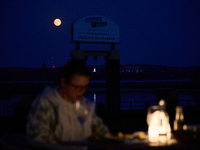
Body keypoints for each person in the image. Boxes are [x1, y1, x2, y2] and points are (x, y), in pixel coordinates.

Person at [26, 60, 109, 143]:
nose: (82, 91)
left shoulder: (84, 105)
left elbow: (102, 131)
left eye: (85, 87)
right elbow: (38, 141)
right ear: (63, 82)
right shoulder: (46, 104)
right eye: (76, 87)